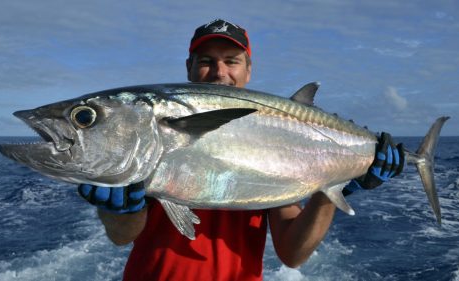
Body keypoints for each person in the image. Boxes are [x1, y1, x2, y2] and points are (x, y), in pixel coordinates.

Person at [78, 19, 404, 281]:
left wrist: (330, 187)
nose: (220, 72)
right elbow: (123, 236)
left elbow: (293, 253)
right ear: (189, 67)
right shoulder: (154, 130)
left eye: (231, 61)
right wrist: (119, 211)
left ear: (248, 70)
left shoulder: (276, 137)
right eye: (207, 61)